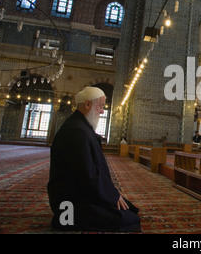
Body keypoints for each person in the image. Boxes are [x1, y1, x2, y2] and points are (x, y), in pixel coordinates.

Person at [47, 86, 141, 232]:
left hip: (80, 192)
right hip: (69, 202)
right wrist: (111, 194)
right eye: (101, 106)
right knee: (128, 220)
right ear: (87, 104)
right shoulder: (76, 131)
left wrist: (112, 194)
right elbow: (87, 174)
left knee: (129, 209)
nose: (103, 111)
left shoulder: (81, 126)